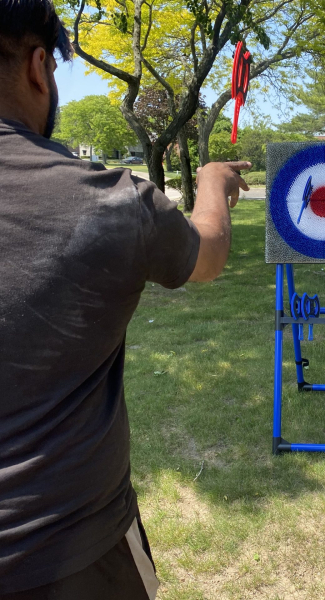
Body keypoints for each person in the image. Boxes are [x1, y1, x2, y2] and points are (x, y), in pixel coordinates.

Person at [0, 1, 250, 598]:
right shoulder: (109, 201)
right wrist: (212, 184)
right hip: (71, 556)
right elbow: (206, 253)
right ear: (39, 66)